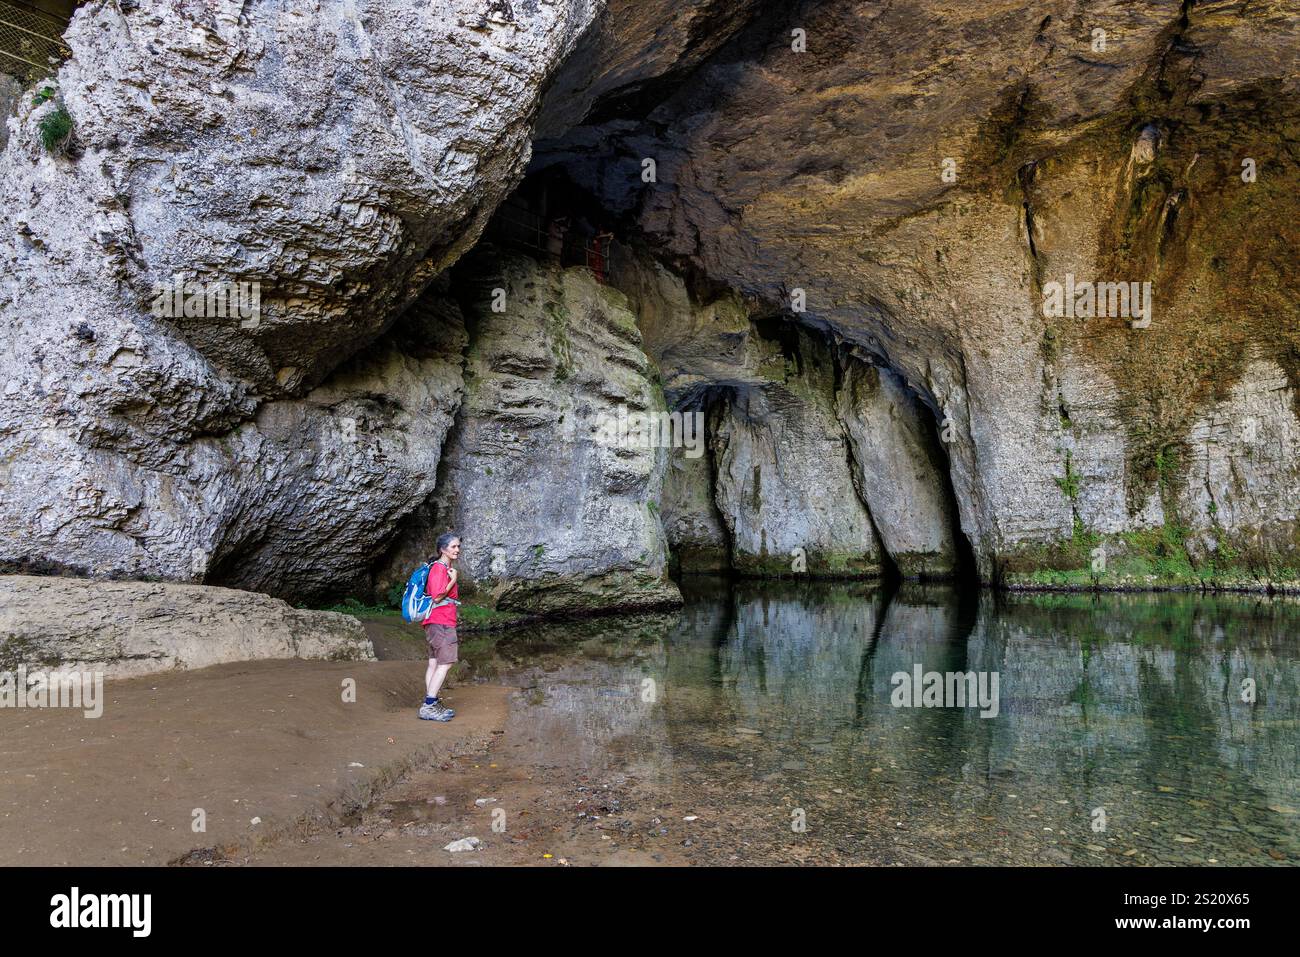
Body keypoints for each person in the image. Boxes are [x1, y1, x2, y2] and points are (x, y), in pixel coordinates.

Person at [419, 533, 461, 722]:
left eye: (458, 547)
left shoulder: (443, 568)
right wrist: (453, 580)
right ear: (442, 549)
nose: (457, 550)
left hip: (436, 621)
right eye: (453, 547)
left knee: (435, 663)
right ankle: (428, 706)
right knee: (446, 663)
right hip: (441, 622)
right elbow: (436, 596)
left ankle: (432, 703)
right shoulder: (439, 568)